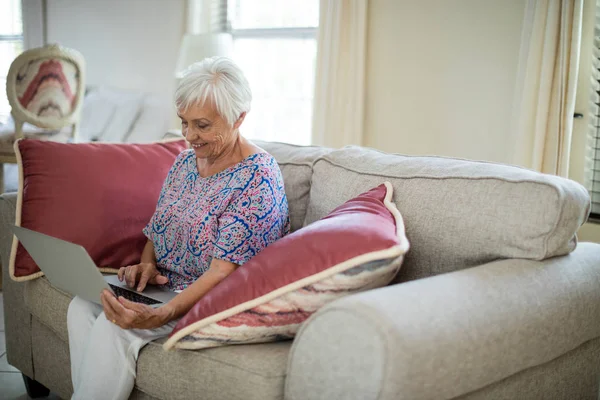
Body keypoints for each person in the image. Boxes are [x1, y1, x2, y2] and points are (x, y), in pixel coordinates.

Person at [66, 57, 290, 400]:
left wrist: (161, 313)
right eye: (184, 123)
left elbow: (222, 273)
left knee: (117, 330)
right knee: (83, 305)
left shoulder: (257, 178)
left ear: (239, 118)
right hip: (165, 287)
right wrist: (147, 265)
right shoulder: (186, 162)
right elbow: (158, 230)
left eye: (201, 125)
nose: (188, 137)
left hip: (210, 300)